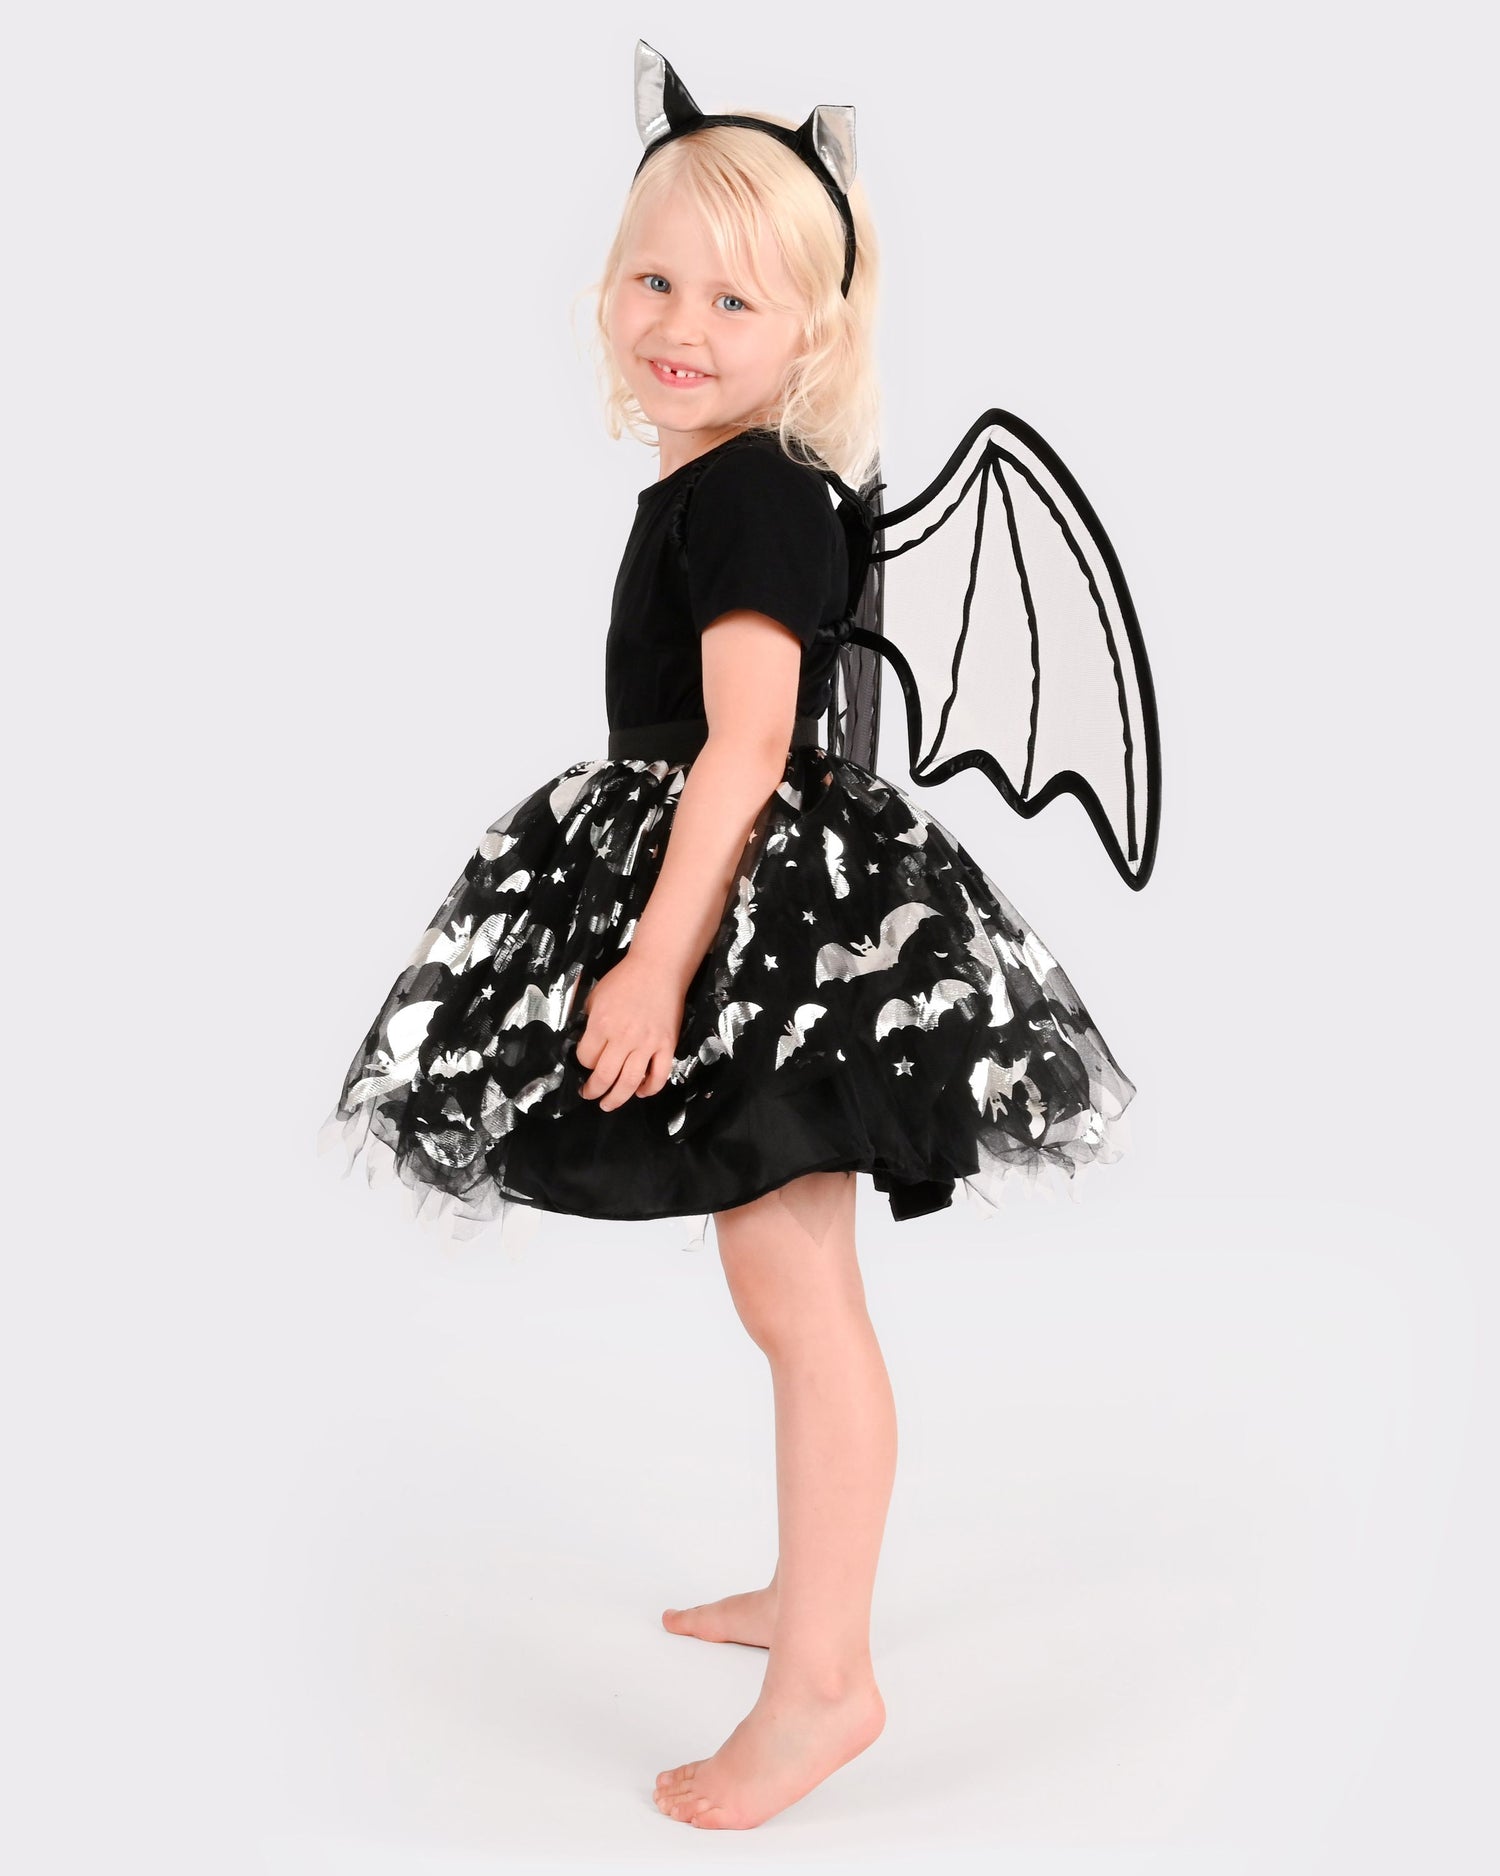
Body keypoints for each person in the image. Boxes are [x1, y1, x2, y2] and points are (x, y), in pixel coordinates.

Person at [318, 41, 1142, 1831]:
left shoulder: (755, 494)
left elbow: (751, 749)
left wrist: (653, 960)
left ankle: (829, 1679)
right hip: (757, 908)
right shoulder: (724, 482)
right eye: (655, 280)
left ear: (813, 334)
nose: (679, 323)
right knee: (787, 1292)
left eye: (734, 298)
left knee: (798, 1299)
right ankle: (807, 1592)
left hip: (769, 927)